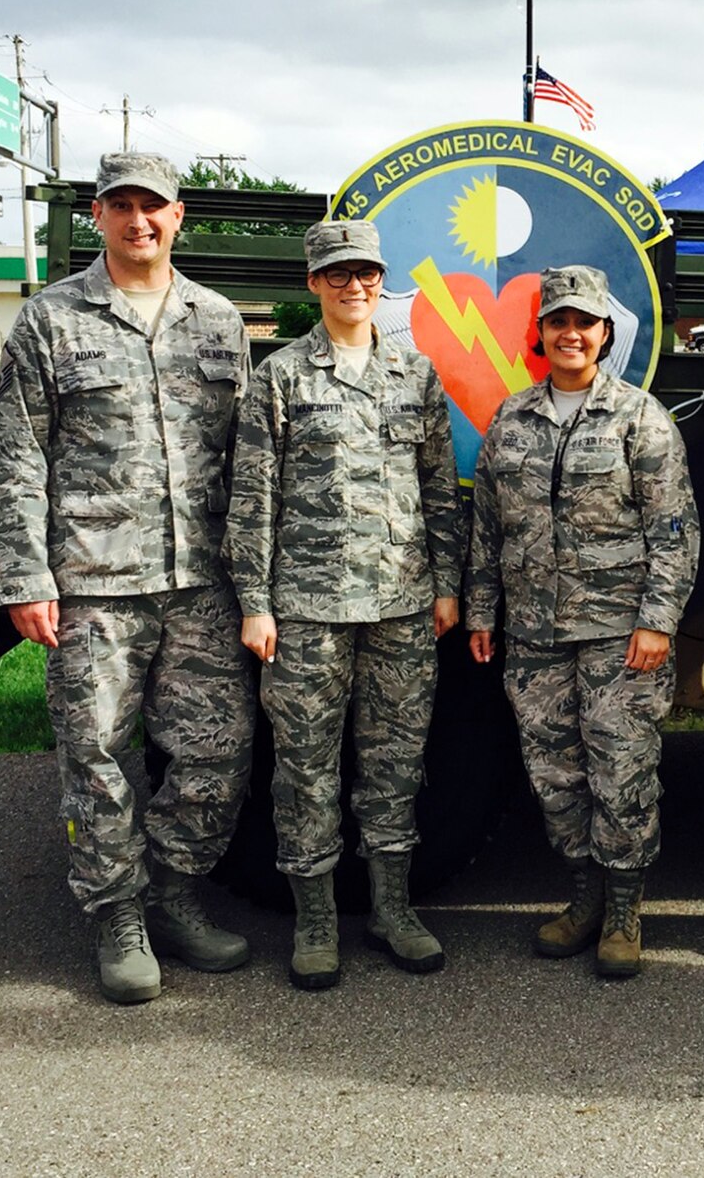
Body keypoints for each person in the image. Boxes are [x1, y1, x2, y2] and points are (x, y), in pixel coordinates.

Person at [0, 151, 256, 1005]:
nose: (140, 220)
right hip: (93, 583)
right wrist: (24, 575)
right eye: (123, 205)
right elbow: (17, 453)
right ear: (98, 215)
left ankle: (173, 892)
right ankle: (117, 913)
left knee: (218, 749)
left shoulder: (218, 321)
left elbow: (248, 459)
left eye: (156, 207)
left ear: (180, 219)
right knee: (96, 756)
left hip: (202, 581)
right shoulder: (51, 320)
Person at [223, 221, 464, 989]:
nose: (352, 286)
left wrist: (448, 584)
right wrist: (255, 603)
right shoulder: (283, 376)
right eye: (337, 274)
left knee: (395, 765)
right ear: (313, 284)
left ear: (380, 280)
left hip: (401, 604)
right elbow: (252, 496)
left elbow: (437, 489)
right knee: (305, 771)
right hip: (307, 608)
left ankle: (392, 910)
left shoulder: (415, 375)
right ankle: (317, 920)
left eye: (364, 273)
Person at [466, 266, 699, 978]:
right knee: (555, 774)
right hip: (533, 633)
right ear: (539, 334)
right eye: (558, 322)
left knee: (622, 771)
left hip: (618, 633)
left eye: (585, 323)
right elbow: (487, 525)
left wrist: (657, 621)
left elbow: (675, 529)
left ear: (604, 334)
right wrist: (481, 607)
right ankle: (583, 898)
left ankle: (625, 910)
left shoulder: (639, 417)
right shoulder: (513, 417)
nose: (571, 334)